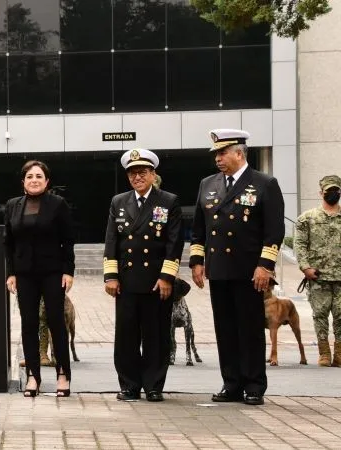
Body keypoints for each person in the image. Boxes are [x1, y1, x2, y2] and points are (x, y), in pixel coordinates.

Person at [189, 129, 285, 406]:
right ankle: (231, 383)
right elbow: (198, 230)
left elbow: (274, 231)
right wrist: (197, 261)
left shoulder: (264, 184)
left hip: (248, 270)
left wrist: (265, 266)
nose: (218, 158)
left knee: (250, 328)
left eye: (222, 153)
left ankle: (254, 385)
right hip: (218, 269)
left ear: (239, 153)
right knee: (226, 328)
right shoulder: (208, 184)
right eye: (216, 154)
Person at [103, 149, 184, 402]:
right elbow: (111, 240)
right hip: (126, 281)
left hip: (156, 282)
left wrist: (167, 277)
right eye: (132, 173)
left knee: (156, 336)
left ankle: (153, 385)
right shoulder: (119, 201)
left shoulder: (168, 201)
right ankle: (129, 385)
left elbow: (174, 242)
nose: (137, 177)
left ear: (153, 174)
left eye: (142, 172)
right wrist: (111, 276)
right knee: (126, 336)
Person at [4, 160, 75, 397]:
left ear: (47, 181)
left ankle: (63, 374)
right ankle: (33, 376)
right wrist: (11, 273)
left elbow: (68, 240)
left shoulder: (58, 204)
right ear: (23, 181)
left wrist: (68, 270)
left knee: (56, 322)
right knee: (28, 324)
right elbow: (9, 243)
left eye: (39, 176)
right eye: (30, 176)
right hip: (25, 274)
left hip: (53, 272)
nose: (34, 180)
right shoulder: (13, 205)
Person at [294, 174, 341, 366]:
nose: (332, 194)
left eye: (336, 191)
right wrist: (305, 268)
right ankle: (324, 353)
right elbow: (300, 245)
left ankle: (339, 353)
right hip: (317, 277)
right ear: (320, 192)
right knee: (320, 315)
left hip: (340, 277)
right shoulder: (307, 218)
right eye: (328, 191)